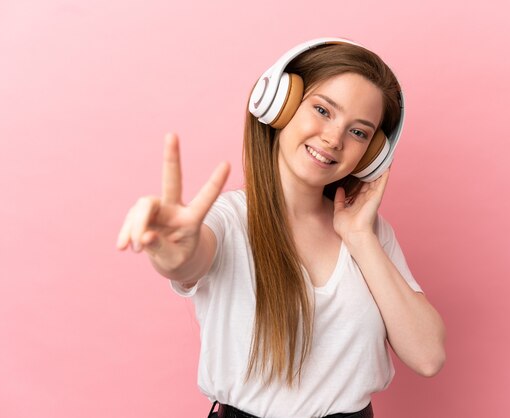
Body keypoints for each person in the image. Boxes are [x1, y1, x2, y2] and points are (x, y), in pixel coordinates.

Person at [117, 38, 446, 418]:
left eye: (359, 132)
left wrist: (359, 237)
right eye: (322, 110)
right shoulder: (227, 220)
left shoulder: (370, 234)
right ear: (279, 105)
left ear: (371, 155)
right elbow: (187, 260)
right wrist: (174, 251)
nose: (333, 138)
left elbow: (428, 356)